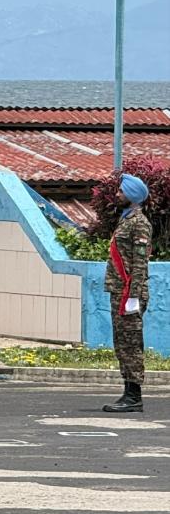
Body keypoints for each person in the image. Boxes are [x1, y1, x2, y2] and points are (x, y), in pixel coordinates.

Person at [104, 173, 152, 413]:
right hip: (119, 290)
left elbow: (139, 262)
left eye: (121, 191)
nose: (117, 194)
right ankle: (128, 392)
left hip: (129, 293)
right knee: (122, 343)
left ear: (132, 195)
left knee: (131, 344)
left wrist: (133, 296)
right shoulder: (126, 220)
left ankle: (134, 396)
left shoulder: (139, 223)